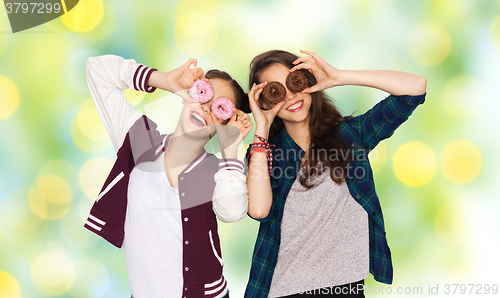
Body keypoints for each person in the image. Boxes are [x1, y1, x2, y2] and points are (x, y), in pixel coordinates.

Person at [244, 49, 427, 298]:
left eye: (293, 82)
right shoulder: (264, 152)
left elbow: (415, 88)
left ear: (307, 81)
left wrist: (338, 76)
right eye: (275, 92)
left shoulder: (351, 135)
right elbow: (258, 210)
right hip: (286, 288)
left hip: (347, 287)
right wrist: (261, 126)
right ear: (264, 101)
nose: (289, 96)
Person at [83, 54, 253, 298]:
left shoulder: (221, 171)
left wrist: (230, 148)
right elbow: (97, 69)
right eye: (204, 93)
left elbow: (233, 211)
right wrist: (163, 80)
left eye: (219, 107)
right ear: (188, 94)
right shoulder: (140, 140)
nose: (206, 108)